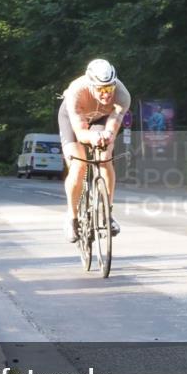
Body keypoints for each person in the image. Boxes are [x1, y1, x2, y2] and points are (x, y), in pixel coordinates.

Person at [58, 59, 131, 242]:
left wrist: (106, 136)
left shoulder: (122, 96)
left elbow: (113, 127)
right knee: (79, 165)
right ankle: (72, 218)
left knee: (105, 158)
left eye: (109, 88)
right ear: (91, 85)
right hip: (73, 120)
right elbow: (81, 132)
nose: (106, 94)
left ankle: (107, 213)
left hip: (101, 120)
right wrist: (92, 138)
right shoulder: (76, 92)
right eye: (101, 89)